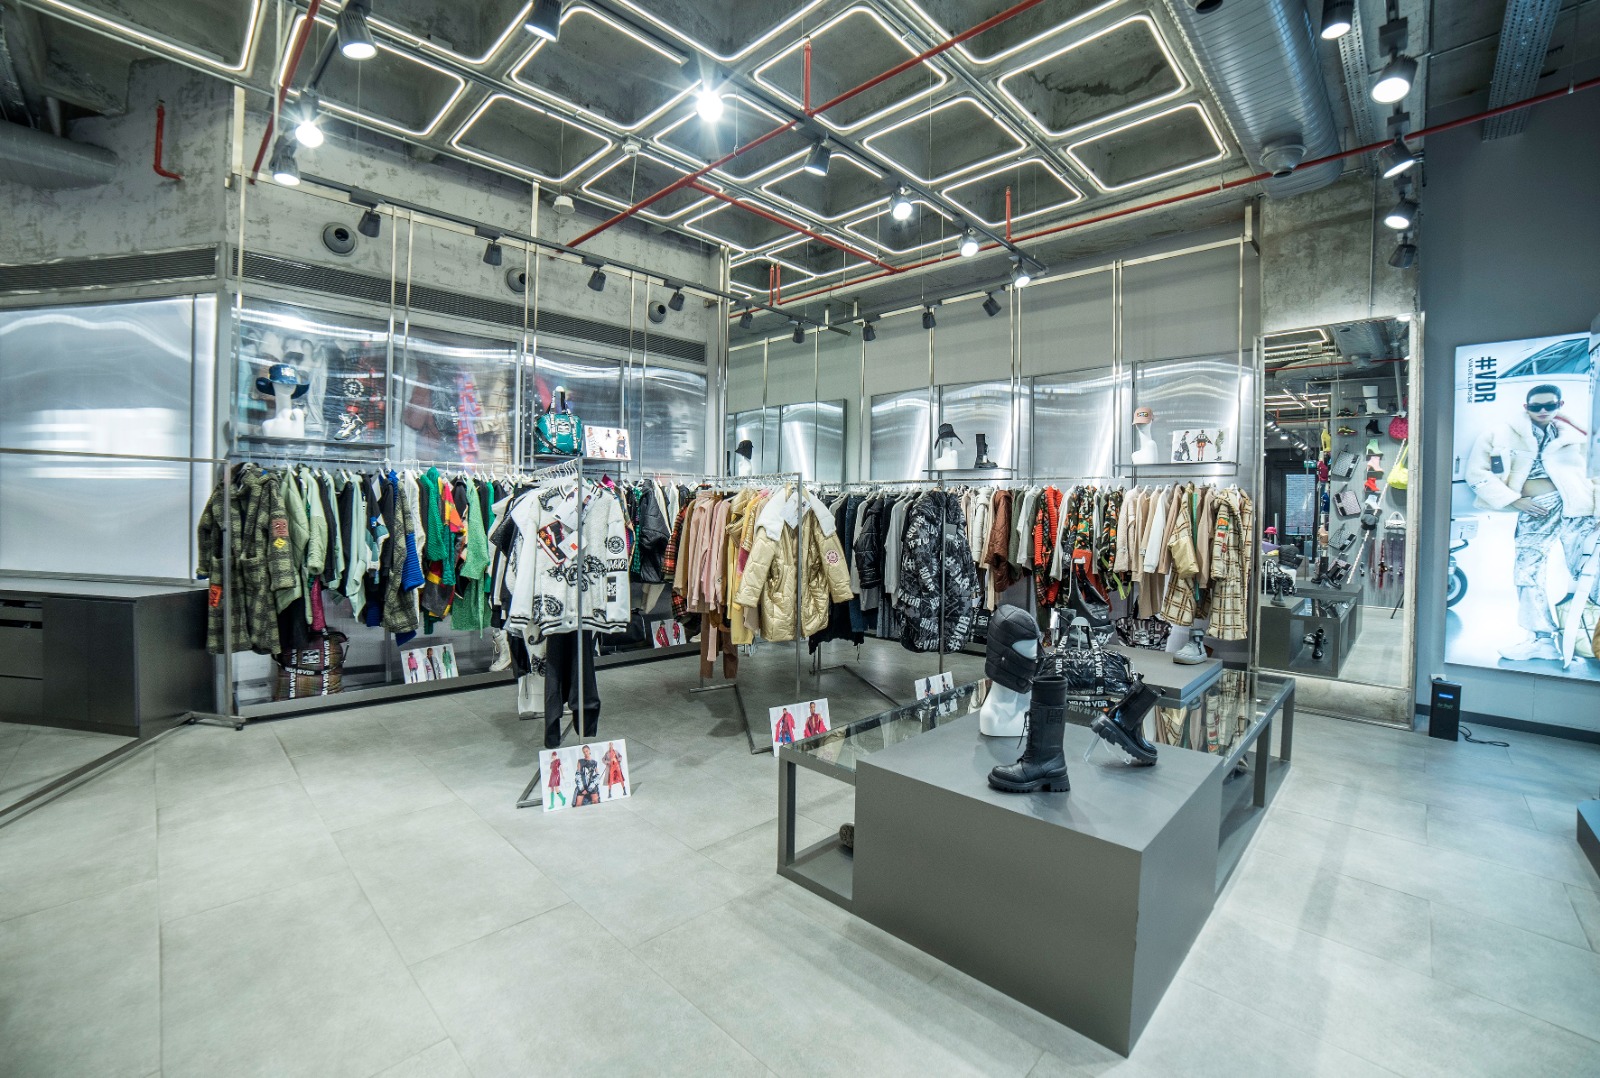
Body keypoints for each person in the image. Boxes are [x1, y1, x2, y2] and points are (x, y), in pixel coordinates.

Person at [1465, 383, 1600, 661]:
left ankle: (1590, 636)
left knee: (1590, 570)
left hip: (1578, 507)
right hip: (1537, 508)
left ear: (1560, 405)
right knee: (1528, 571)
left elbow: (1595, 473)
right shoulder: (1500, 433)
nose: (1543, 411)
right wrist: (1514, 500)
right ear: (1526, 407)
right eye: (1536, 406)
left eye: (1550, 405)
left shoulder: (1576, 434)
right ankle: (1541, 638)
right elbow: (1477, 473)